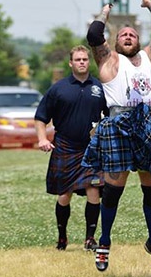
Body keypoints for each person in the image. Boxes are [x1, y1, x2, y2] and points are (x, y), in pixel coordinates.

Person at [82, 0, 151, 273]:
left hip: (150, 124)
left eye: (132, 34)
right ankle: (105, 241)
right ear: (115, 41)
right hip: (119, 125)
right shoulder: (109, 61)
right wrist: (106, 12)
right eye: (122, 34)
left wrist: (149, 5)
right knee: (113, 190)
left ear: (139, 40)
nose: (127, 36)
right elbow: (94, 35)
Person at [34, 45, 108, 251]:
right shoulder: (59, 89)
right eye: (78, 59)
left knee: (94, 190)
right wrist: (42, 139)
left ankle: (89, 239)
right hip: (65, 147)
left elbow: (111, 115)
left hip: (91, 149)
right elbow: (40, 118)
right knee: (64, 195)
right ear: (71, 63)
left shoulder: (100, 87)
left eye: (85, 59)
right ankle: (62, 237)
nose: (82, 62)